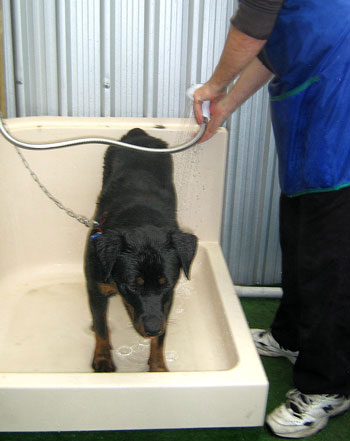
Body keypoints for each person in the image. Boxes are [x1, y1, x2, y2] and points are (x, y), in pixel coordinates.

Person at [193, 0, 350, 438]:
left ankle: (327, 386)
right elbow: (270, 50)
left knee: (330, 261)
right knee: (299, 236)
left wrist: (214, 86)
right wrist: (227, 104)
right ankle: (293, 336)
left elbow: (253, 27)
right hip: (313, 109)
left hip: (340, 112)